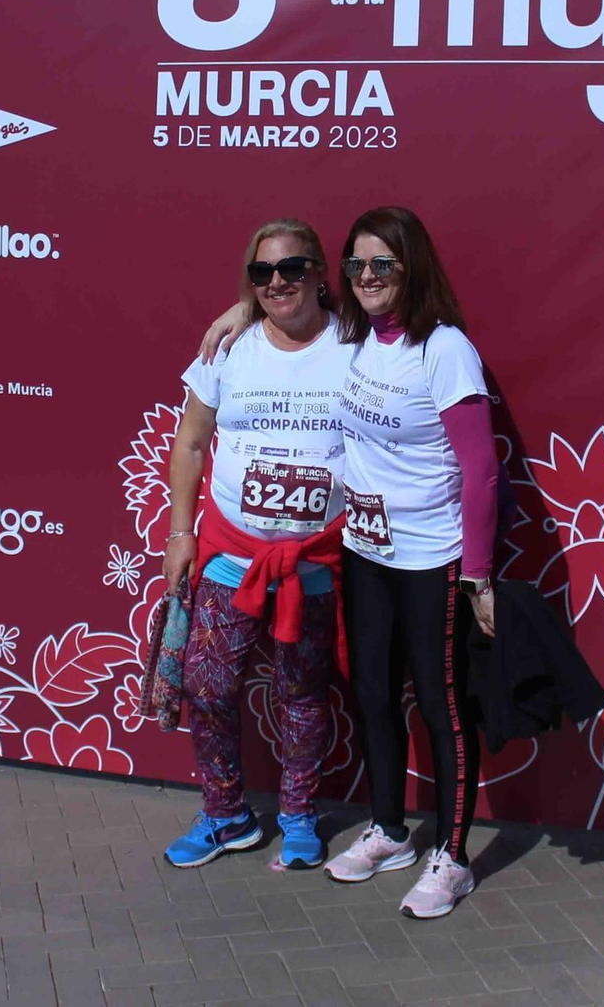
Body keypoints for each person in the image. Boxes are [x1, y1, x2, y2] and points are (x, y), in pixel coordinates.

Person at [200, 206, 499, 919]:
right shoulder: (357, 337)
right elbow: (284, 303)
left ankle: (451, 857)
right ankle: (390, 830)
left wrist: (481, 574)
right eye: (356, 265)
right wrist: (240, 308)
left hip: (433, 558)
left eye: (382, 265)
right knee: (370, 692)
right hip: (364, 552)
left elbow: (481, 468)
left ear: (411, 269)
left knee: (440, 705)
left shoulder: (443, 347)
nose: (366, 277)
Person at [160, 219, 350, 872]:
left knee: (302, 694)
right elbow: (189, 443)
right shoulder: (227, 347)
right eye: (261, 273)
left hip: (314, 561)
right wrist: (180, 532)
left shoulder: (356, 343)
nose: (277, 283)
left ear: (321, 271)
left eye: (292, 268)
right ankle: (225, 813)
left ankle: (298, 814)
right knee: (208, 688)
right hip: (230, 554)